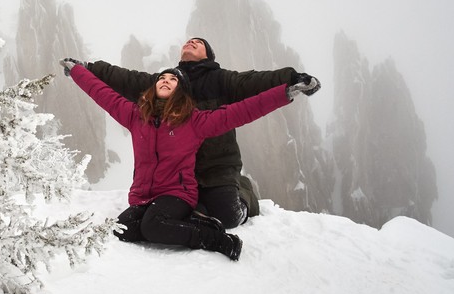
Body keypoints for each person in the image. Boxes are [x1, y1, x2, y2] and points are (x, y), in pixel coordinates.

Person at [59, 59, 318, 260]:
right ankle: (191, 221)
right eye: (162, 77)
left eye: (173, 79)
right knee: (121, 229)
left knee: (153, 227)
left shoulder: (193, 121)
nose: (165, 80)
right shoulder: (136, 116)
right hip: (142, 196)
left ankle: (218, 240)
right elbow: (104, 94)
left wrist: (286, 93)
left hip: (176, 194)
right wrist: (78, 72)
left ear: (180, 91)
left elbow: (242, 111)